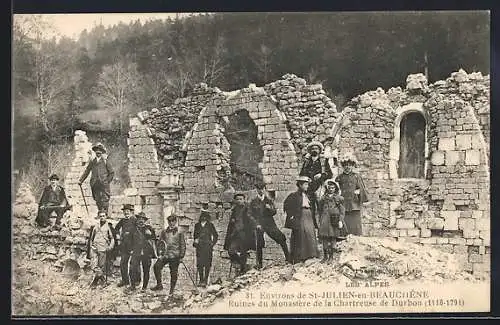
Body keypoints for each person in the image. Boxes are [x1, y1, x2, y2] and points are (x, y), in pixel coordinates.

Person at [249, 182, 290, 269]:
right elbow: (250, 214)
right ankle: (259, 264)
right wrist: (256, 224)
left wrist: (270, 208)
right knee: (259, 244)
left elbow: (274, 212)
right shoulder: (253, 202)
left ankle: (288, 258)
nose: (260, 191)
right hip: (259, 225)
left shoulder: (268, 200)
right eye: (258, 189)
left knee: (281, 237)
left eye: (262, 189)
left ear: (264, 189)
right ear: (256, 190)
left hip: (269, 224)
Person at [283, 176, 320, 264]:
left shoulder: (309, 195)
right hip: (300, 216)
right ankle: (300, 257)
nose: (307, 186)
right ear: (300, 185)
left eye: (307, 184)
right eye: (305, 184)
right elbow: (286, 205)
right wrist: (291, 216)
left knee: (310, 233)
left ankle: (311, 255)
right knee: (301, 235)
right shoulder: (294, 195)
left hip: (309, 216)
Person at [299, 141, 333, 228]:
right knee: (310, 210)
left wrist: (321, 175)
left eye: (316, 148)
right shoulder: (307, 162)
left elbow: (330, 174)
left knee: (322, 208)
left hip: (319, 188)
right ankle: (313, 228)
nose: (314, 150)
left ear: (319, 150)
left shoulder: (323, 161)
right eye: (313, 149)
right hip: (309, 189)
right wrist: (306, 179)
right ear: (310, 151)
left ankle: (323, 228)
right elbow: (301, 174)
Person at [152, 214, 186, 296]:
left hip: (175, 256)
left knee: (173, 273)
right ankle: (159, 285)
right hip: (165, 255)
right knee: (156, 266)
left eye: (173, 221)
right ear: (168, 222)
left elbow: (183, 245)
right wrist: (160, 253)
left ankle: (172, 289)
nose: (171, 223)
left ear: (175, 221)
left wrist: (181, 256)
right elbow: (160, 243)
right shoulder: (164, 232)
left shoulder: (179, 232)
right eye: (169, 221)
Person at [335, 153, 369, 236]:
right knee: (345, 220)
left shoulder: (356, 176)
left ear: (352, 166)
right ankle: (344, 237)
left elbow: (361, 188)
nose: (347, 167)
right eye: (345, 165)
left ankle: (357, 237)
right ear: (343, 166)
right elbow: (336, 190)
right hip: (344, 203)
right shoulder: (339, 177)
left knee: (355, 221)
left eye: (349, 165)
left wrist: (358, 194)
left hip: (354, 202)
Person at [223, 193, 256, 276]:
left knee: (243, 252)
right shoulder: (234, 210)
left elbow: (251, 219)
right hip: (235, 234)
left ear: (244, 200)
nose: (239, 201)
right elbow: (232, 223)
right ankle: (239, 264)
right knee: (231, 251)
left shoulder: (248, 208)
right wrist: (233, 222)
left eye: (241, 199)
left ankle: (243, 268)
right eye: (237, 199)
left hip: (244, 234)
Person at [78, 143, 114, 215]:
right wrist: (81, 180)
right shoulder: (92, 162)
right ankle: (100, 213)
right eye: (97, 150)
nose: (98, 152)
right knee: (97, 199)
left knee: (105, 198)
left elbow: (112, 173)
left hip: (103, 183)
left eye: (100, 151)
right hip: (95, 183)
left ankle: (105, 214)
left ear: (102, 152)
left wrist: (107, 181)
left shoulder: (105, 161)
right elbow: (87, 171)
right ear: (95, 152)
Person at [317, 179, 346, 263]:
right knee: (324, 238)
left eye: (333, 188)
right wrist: (320, 220)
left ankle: (331, 257)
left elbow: (342, 211)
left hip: (334, 220)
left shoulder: (338, 199)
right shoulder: (323, 198)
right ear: (327, 188)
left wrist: (340, 220)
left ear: (335, 189)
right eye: (329, 188)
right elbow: (319, 209)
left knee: (333, 238)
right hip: (325, 221)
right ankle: (325, 256)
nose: (331, 189)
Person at [128, 212, 156, 292]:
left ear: (145, 220)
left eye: (142, 219)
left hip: (146, 253)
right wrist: (130, 250)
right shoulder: (133, 229)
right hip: (136, 252)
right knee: (132, 269)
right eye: (139, 218)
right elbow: (129, 240)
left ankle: (144, 287)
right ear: (137, 219)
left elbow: (154, 240)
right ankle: (132, 286)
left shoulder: (149, 228)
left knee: (146, 270)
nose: (141, 220)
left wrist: (150, 235)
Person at [87, 211, 115, 288]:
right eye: (100, 216)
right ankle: (103, 280)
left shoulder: (109, 227)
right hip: (94, 248)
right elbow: (91, 238)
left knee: (101, 266)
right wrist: (91, 247)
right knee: (93, 266)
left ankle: (95, 282)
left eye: (103, 216)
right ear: (99, 217)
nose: (102, 217)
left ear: (106, 217)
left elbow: (112, 238)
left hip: (103, 248)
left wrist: (110, 247)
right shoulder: (95, 226)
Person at [193, 210, 218, 287]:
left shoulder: (210, 225)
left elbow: (215, 235)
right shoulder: (197, 225)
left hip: (207, 247)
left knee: (207, 263)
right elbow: (195, 236)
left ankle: (205, 280)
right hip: (199, 247)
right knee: (200, 263)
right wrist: (196, 241)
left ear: (207, 217)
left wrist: (212, 244)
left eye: (205, 216)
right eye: (202, 216)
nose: (203, 218)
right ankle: (201, 280)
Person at [114, 204, 137, 288]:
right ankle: (125, 280)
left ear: (131, 212)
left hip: (133, 245)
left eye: (128, 211)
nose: (126, 213)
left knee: (135, 264)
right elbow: (116, 228)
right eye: (125, 211)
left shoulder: (135, 220)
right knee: (123, 263)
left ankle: (136, 281)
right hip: (124, 245)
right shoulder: (123, 220)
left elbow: (139, 232)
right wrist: (117, 235)